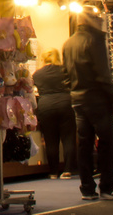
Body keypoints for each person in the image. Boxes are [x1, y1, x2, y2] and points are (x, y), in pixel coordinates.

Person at [63, 10, 113, 201]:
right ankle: (107, 186)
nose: (101, 21)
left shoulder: (69, 42)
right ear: (90, 20)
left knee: (84, 144)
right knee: (107, 144)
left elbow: (65, 73)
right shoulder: (95, 40)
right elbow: (102, 73)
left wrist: (73, 91)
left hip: (78, 100)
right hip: (98, 100)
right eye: (98, 18)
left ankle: (87, 188)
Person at [33, 48, 75, 179]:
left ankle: (53, 172)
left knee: (51, 141)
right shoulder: (65, 71)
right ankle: (67, 170)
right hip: (65, 104)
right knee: (68, 139)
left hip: (45, 106)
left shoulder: (37, 74)